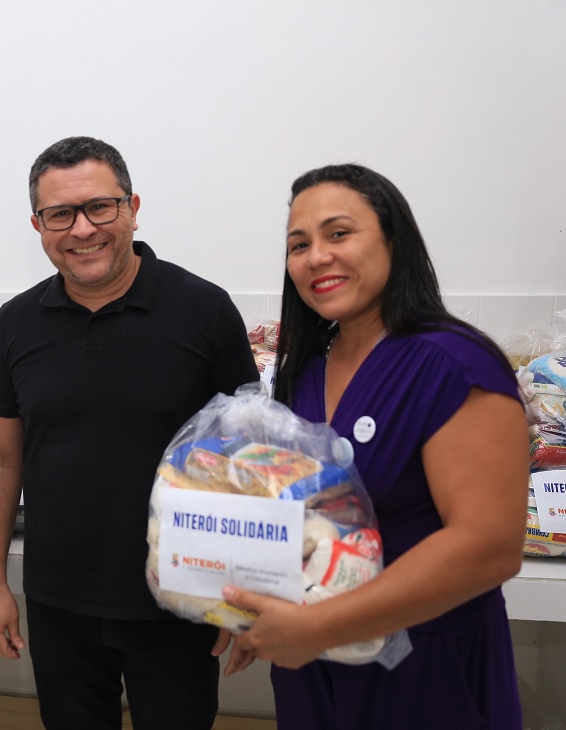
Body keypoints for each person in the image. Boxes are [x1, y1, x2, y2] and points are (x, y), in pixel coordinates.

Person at [219, 164, 529, 729]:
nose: (316, 257)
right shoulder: (303, 373)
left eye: (339, 233)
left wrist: (319, 626)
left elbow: (488, 547)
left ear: (394, 240)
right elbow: (302, 517)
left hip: (424, 668)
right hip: (314, 670)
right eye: (299, 244)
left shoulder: (454, 364)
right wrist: (255, 605)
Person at [0, 136, 259, 730]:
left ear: (132, 207)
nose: (81, 229)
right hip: (59, 603)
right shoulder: (16, 323)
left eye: (100, 207)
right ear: (38, 224)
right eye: (60, 215)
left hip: (183, 601)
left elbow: (250, 460)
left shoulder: (204, 310)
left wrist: (252, 593)